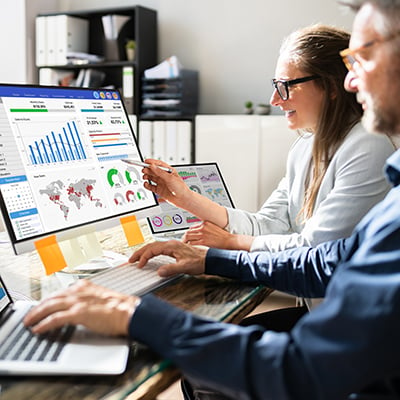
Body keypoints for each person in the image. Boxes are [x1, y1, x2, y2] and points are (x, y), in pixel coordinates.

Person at [24, 1, 400, 399]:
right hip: (338, 336)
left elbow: (301, 367)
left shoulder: (369, 150)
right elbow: (324, 259)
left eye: (363, 57)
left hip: (347, 362)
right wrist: (208, 249)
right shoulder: (315, 153)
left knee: (201, 369)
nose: (350, 81)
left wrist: (138, 314)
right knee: (198, 365)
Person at [141, 24, 394, 254]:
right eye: (275, 85)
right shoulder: (304, 147)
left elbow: (316, 248)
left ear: (330, 87)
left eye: (285, 85)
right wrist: (183, 197)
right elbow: (266, 225)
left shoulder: (368, 146)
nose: (274, 99)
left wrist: (232, 242)